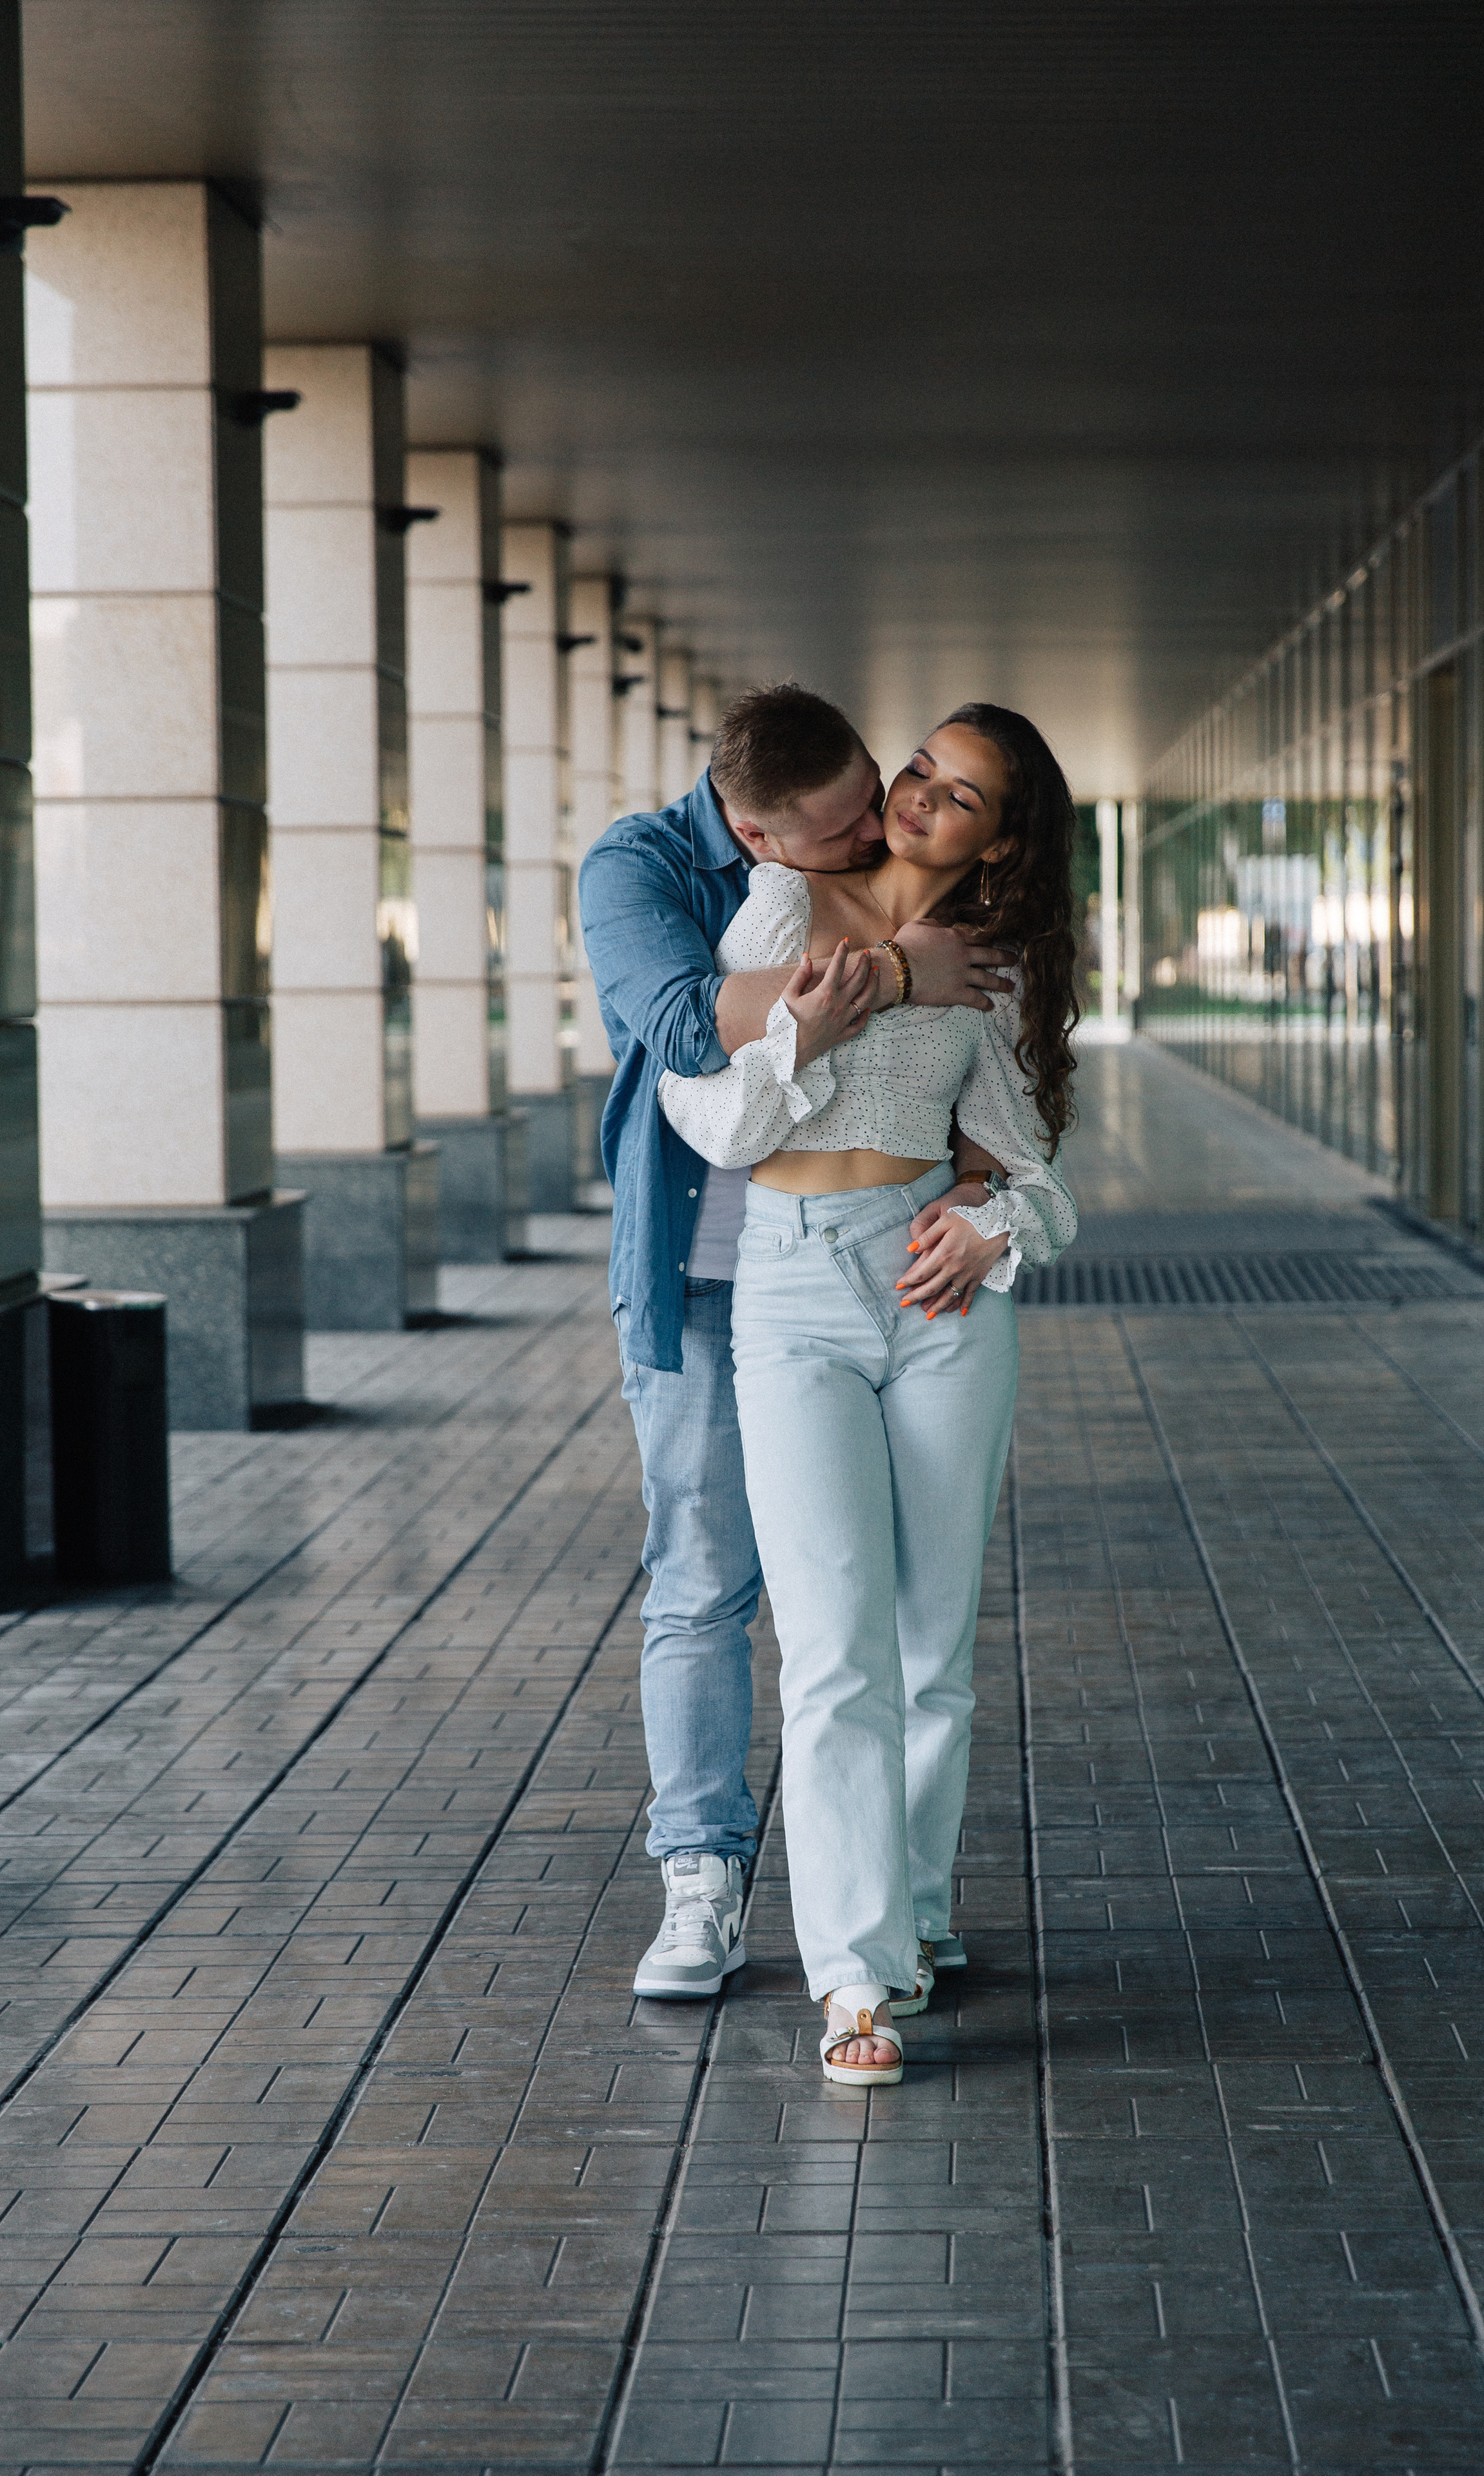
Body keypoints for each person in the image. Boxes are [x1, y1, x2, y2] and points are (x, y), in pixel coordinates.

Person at [578, 685, 1023, 2001]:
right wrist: (886, 975)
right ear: (756, 832)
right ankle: (700, 1880)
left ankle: (894, 1916)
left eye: (874, 794)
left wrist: (990, 1197)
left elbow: (999, 1107)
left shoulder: (886, 876)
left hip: (883, 1264)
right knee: (707, 1574)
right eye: (828, 829)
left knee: (891, 1627)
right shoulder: (640, 867)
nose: (865, 832)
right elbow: (676, 1030)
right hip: (710, 1271)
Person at [657, 703, 1079, 2081]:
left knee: (929, 1649)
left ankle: (911, 1914)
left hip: (933, 1295)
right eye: (917, 770)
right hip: (788, 1293)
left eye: (959, 796)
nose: (917, 800)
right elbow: (710, 1116)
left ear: (998, 839)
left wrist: (994, 1227)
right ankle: (854, 1983)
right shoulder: (786, 906)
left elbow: (1038, 1174)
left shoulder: (991, 969)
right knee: (832, 1649)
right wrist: (844, 1008)